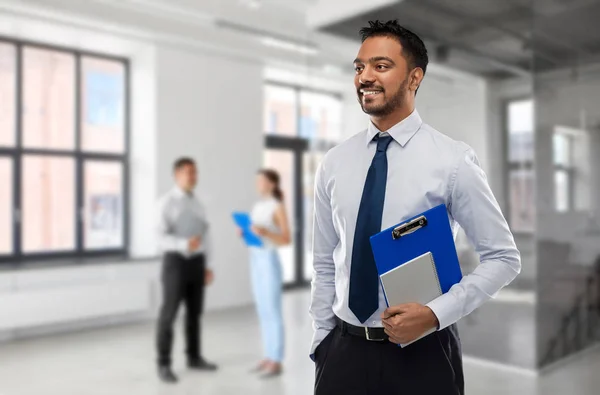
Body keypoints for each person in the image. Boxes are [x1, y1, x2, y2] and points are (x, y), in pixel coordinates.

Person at [309, 20, 521, 394]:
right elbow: (325, 260)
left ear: (414, 78)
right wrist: (322, 341)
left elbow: (503, 258)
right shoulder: (334, 162)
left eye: (381, 66)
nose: (365, 77)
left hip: (423, 353)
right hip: (343, 353)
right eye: (359, 67)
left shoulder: (453, 161)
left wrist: (435, 315)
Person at [155, 157, 218, 383]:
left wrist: (208, 265)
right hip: (175, 263)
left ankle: (194, 357)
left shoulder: (198, 203)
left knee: (194, 313)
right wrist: (183, 244)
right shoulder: (166, 203)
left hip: (196, 263)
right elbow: (159, 239)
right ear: (177, 174)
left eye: (195, 173)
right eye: (189, 173)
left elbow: (206, 235)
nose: (194, 177)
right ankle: (163, 363)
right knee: (168, 314)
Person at [241, 169, 291, 378]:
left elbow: (286, 239)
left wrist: (265, 232)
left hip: (269, 260)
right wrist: (245, 232)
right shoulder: (257, 206)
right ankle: (268, 355)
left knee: (272, 310)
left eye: (261, 181)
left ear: (271, 183)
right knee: (262, 310)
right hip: (255, 259)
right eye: (257, 181)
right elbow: (253, 236)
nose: (258, 184)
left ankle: (277, 360)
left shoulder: (277, 207)